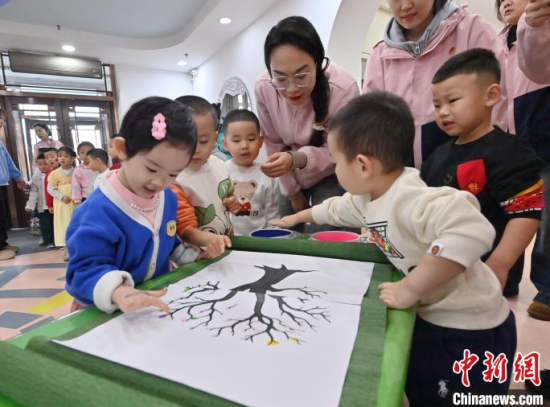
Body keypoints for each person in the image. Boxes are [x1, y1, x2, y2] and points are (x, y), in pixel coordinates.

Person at [274, 92, 516, 405]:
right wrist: (295, 218)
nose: (335, 170)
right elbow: (333, 209)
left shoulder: (410, 198)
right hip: (430, 315)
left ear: (363, 165)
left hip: (470, 329)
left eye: (337, 162)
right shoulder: (368, 196)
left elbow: (472, 230)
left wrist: (411, 287)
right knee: (419, 386)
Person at [421, 49, 547, 321]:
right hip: (439, 270)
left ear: (491, 95)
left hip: (484, 276)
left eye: (453, 100)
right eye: (437, 105)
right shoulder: (438, 154)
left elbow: (525, 214)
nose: (443, 112)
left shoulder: (509, 153)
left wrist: (499, 265)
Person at [65, 97, 200, 314]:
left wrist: (193, 258)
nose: (160, 182)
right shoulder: (97, 211)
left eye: (173, 174)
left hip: (151, 307)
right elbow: (82, 271)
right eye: (151, 169)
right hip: (107, 313)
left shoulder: (167, 197)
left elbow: (166, 239)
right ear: (122, 149)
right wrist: (118, 291)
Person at [363, 0, 508, 168]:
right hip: (403, 175)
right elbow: (372, 124)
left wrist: (484, 164)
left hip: (468, 168)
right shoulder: (380, 55)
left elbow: (497, 105)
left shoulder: (472, 30)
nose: (405, 6)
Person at [255, 16, 359, 233]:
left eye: (301, 75)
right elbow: (273, 144)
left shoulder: (342, 88)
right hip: (289, 173)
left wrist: (297, 158)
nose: (292, 88)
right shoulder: (264, 88)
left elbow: (342, 150)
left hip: (333, 170)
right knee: (284, 231)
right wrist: (292, 193)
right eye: (280, 78)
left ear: (318, 63)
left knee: (326, 231)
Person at [496, 0, 550, 321]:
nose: (506, 3)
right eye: (500, 0)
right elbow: (498, 96)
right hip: (513, 136)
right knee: (510, 209)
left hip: (544, 125)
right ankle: (507, 277)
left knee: (548, 215)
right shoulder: (498, 42)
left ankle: (548, 288)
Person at [170, 95, 238, 258]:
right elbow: (185, 230)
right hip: (198, 257)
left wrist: (232, 202)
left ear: (214, 138)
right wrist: (212, 240)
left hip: (226, 246)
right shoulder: (174, 178)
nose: (195, 149)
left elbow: (229, 195)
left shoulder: (220, 165)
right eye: (186, 141)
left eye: (203, 141)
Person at [222, 109, 279, 236]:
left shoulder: (266, 174)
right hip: (228, 239)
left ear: (260, 141)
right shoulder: (221, 172)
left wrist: (272, 238)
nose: (244, 145)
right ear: (225, 144)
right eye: (236, 140)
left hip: (260, 240)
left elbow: (272, 215)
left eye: (251, 139)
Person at [0, 109, 26, 261]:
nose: (2, 121)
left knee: (3, 216)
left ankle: (3, 244)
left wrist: (17, 176)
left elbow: (8, 160)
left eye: (2, 118)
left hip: (2, 183)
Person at [47, 146, 76, 260]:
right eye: (60, 156)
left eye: (66, 156)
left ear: (72, 158)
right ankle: (68, 250)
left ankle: (77, 249)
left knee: (75, 223)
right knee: (65, 224)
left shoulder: (77, 171)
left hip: (75, 201)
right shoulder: (55, 173)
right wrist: (61, 197)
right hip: (62, 204)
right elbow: (50, 188)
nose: (62, 158)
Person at [25, 153, 53, 247]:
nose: (43, 166)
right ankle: (47, 240)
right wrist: (30, 205)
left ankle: (54, 240)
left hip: (53, 204)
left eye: (45, 163)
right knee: (45, 224)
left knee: (54, 223)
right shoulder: (36, 177)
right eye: (40, 164)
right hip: (42, 205)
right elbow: (33, 192)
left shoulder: (53, 173)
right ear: (37, 165)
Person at [43, 147, 59, 249]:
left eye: (52, 156)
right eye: (47, 158)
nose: (50, 160)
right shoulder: (49, 174)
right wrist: (49, 204)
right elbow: (47, 191)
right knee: (58, 222)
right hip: (56, 202)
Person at [71, 141, 95, 205]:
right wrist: (77, 200)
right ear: (79, 155)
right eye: (82, 152)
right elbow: (76, 186)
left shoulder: (98, 167)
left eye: (89, 152)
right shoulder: (78, 170)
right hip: (86, 199)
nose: (86, 154)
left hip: (100, 197)